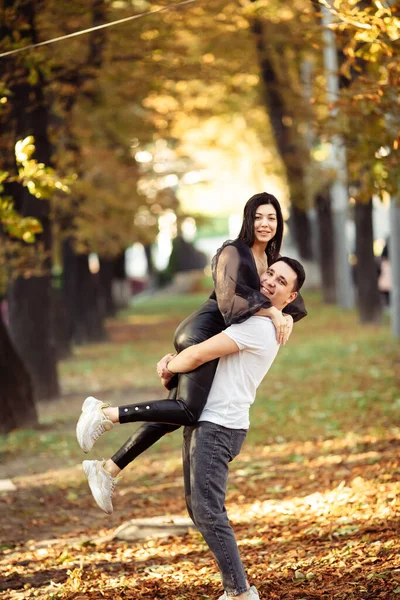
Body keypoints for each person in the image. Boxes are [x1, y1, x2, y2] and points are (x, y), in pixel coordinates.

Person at [82, 257, 306, 600]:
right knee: (198, 509)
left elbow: (198, 355)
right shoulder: (254, 318)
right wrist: (175, 362)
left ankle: (241, 593)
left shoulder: (258, 328)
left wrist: (172, 362)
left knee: (208, 511)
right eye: (270, 273)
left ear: (290, 297)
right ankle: (108, 458)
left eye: (281, 282)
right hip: (208, 420)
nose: (271, 281)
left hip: (220, 426)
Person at [76, 193, 307, 498]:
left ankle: (107, 470)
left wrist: (283, 313)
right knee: (188, 410)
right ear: (247, 219)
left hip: (215, 336)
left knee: (172, 415)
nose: (264, 224)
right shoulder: (234, 252)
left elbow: (293, 301)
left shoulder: (270, 260)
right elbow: (230, 305)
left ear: (279, 223)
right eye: (258, 217)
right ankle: (105, 414)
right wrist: (273, 311)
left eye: (272, 218)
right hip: (202, 330)